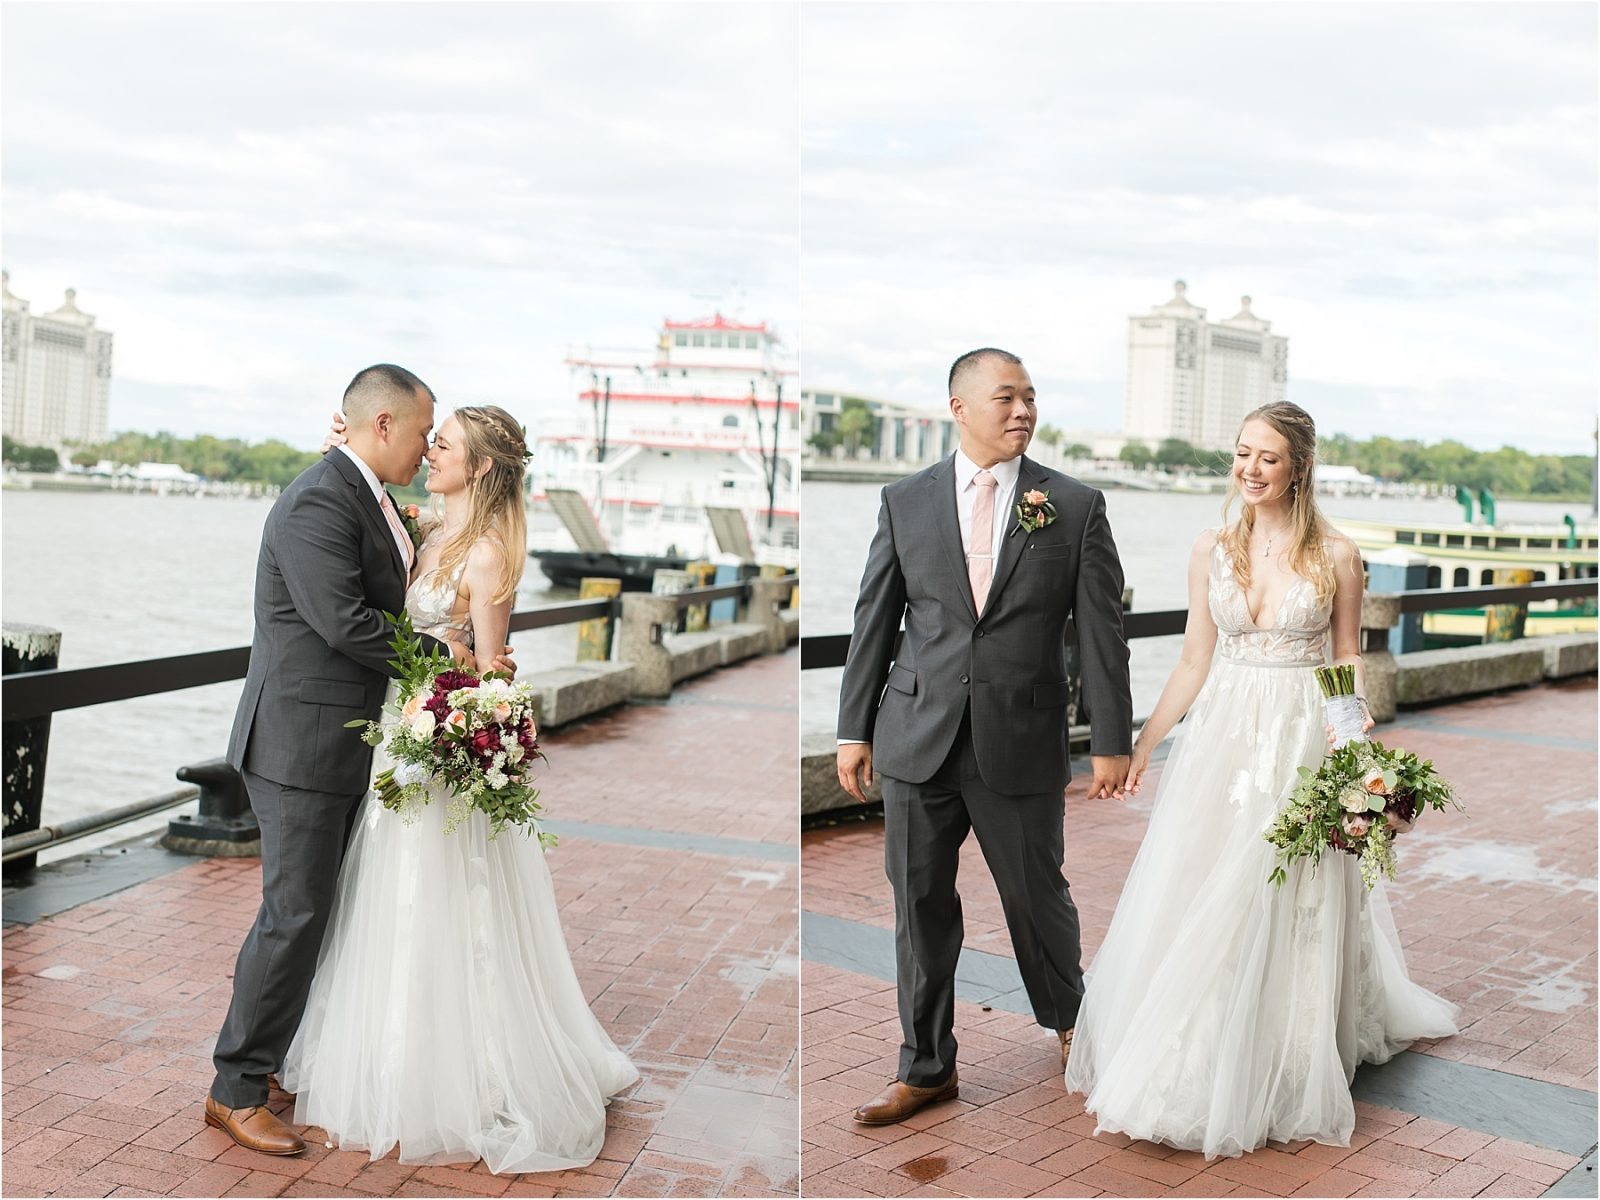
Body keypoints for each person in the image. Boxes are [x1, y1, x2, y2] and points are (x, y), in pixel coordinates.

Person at [1064, 401, 1458, 1158]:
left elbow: (1343, 664)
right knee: (1207, 878)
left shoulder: (1337, 556)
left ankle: (1285, 1042)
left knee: (1280, 884)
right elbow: (1192, 660)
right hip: (1223, 740)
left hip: (1299, 739)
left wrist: (1360, 765)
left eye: (1266, 457)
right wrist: (1144, 744)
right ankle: (1199, 1036)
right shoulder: (1212, 547)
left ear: (1298, 468)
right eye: (1241, 453)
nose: (1248, 468)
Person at [278, 404, 639, 1172]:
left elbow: (491, 671)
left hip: (435, 749)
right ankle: (383, 1061)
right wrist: (340, 454)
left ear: (477, 467)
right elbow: (356, 512)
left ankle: (461, 1075)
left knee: (441, 906)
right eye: (428, 438)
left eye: (443, 444)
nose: (430, 449)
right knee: (377, 904)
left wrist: (460, 708)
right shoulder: (420, 531)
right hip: (393, 742)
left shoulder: (487, 554)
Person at [208, 365, 511, 1154]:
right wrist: (443, 654)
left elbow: (384, 579)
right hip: (299, 745)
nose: (423, 448)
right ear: (383, 427)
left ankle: (264, 1065)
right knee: (294, 913)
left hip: (348, 742)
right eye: (419, 433)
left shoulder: (362, 494)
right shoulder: (317, 500)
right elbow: (344, 621)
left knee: (316, 915)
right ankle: (235, 1089)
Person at [835, 348, 1133, 1126]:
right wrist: (851, 729)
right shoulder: (904, 500)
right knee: (919, 905)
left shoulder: (1072, 503)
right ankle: (926, 1067)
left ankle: (1074, 1028)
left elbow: (1101, 632)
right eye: (1006, 398)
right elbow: (876, 620)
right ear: (960, 407)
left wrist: (1111, 739)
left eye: (1031, 398)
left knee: (1037, 896)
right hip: (915, 736)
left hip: (1022, 737)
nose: (1023, 412)